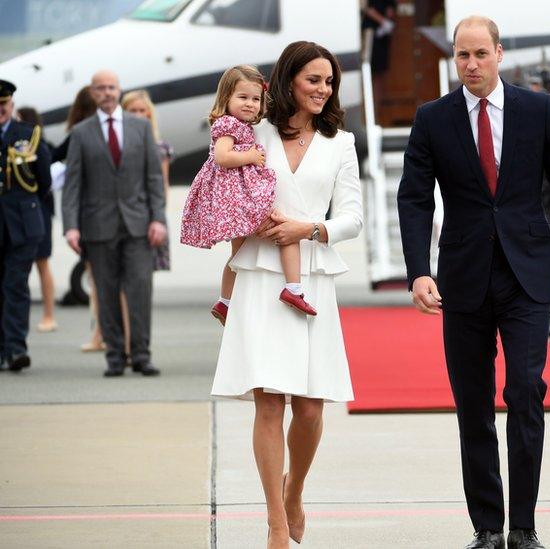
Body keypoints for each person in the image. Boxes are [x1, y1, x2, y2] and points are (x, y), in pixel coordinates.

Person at [397, 16, 550, 549]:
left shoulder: (535, 110)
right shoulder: (433, 118)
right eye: (462, 55)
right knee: (473, 405)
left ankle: (524, 527)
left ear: (498, 54)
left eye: (480, 54)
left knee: (525, 392)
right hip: (464, 279)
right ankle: (487, 528)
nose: (471, 64)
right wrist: (418, 271)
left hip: (526, 277)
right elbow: (415, 198)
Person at [210, 41, 362, 549]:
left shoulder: (341, 142)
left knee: (312, 408)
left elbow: (352, 219)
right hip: (259, 274)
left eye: (329, 82)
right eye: (313, 80)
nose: (322, 90)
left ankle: (293, 489)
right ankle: (275, 521)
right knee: (269, 403)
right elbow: (223, 184)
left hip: (311, 276)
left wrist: (307, 230)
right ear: (289, 80)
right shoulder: (255, 132)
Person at [181, 65, 315, 323]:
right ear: (226, 98)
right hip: (235, 198)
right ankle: (292, 288)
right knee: (283, 230)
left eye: (256, 99)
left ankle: (225, 302)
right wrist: (250, 156)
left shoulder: (241, 125)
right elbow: (222, 157)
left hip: (238, 195)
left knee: (239, 254)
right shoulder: (228, 124)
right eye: (243, 98)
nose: (250, 104)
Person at [62, 70, 166, 377]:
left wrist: (158, 218)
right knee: (106, 293)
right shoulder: (81, 133)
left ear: (120, 91)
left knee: (140, 290)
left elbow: (154, 180)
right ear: (92, 94)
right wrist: (71, 226)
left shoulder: (141, 128)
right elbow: (72, 185)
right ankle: (115, 357)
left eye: (112, 87)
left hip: (138, 225)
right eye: (100, 89)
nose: (107, 93)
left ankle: (142, 355)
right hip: (97, 226)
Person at [0, 79, 51, 372]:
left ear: (11, 105)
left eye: (3, 105)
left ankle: (16, 348)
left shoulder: (28, 135)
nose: (0, 111)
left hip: (22, 224)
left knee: (16, 285)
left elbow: (42, 182)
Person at [53, 86, 105, 353]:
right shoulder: (108, 132)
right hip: (108, 213)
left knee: (97, 280)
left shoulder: (80, 134)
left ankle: (99, 333)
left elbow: (53, 156)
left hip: (89, 215)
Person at [15, 106, 58, 333]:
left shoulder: (41, 146)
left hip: (37, 211)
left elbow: (46, 182)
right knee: (17, 269)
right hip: (16, 215)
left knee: (42, 263)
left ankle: (49, 314)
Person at [122, 89, 173, 272]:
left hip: (148, 214)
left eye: (141, 110)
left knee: (142, 272)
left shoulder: (159, 148)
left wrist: (157, 217)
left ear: (148, 113)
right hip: (124, 212)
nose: (137, 115)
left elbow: (162, 184)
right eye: (132, 111)